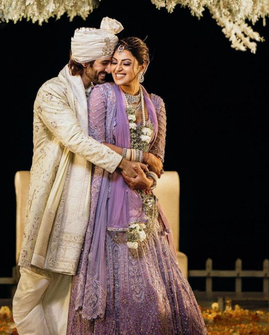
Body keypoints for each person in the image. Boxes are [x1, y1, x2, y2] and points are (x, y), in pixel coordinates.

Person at [12, 18, 149, 335]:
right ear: (86, 60)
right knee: (36, 279)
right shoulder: (53, 92)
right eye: (105, 62)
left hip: (88, 201)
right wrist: (122, 164)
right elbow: (74, 138)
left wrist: (141, 157)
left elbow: (113, 136)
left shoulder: (98, 95)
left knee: (67, 286)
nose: (108, 69)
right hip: (53, 199)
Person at [67, 37, 208, 334]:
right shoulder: (102, 95)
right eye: (115, 62)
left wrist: (149, 180)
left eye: (126, 63)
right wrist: (137, 156)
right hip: (106, 193)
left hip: (142, 200)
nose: (117, 68)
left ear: (142, 66)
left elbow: (158, 160)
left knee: (156, 295)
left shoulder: (156, 104)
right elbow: (94, 143)